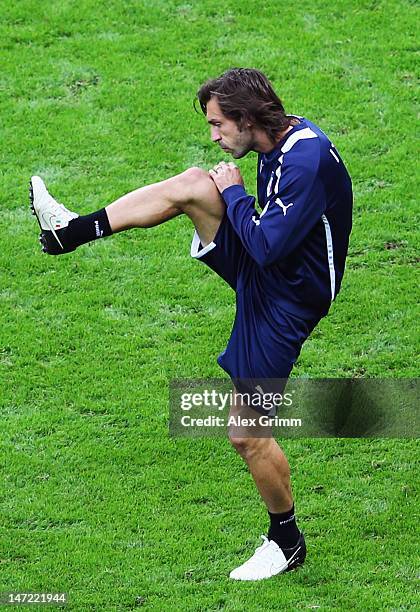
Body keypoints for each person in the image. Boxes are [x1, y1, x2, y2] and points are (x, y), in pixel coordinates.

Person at [29, 68, 353, 581]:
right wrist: (230, 192)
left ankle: (286, 541)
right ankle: (69, 231)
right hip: (271, 269)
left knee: (246, 435)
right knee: (194, 185)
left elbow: (267, 245)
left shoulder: (305, 160)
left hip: (287, 301)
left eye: (219, 124)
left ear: (248, 119)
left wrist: (239, 195)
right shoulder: (277, 139)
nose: (215, 135)